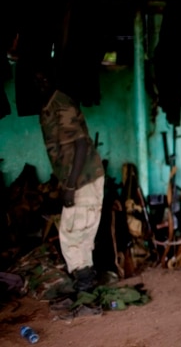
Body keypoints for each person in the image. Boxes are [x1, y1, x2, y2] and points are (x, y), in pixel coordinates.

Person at [39, 82, 105, 293]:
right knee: (82, 233)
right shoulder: (53, 104)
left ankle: (84, 283)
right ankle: (87, 283)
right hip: (83, 178)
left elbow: (81, 144)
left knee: (72, 234)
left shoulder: (60, 104)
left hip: (82, 181)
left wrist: (70, 185)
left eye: (38, 78)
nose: (34, 83)